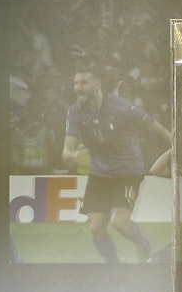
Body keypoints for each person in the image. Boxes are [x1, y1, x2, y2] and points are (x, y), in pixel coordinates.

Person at [63, 66, 171, 263]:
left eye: (84, 82)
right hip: (100, 173)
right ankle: (114, 267)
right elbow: (66, 151)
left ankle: (143, 244)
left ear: (97, 83)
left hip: (127, 170)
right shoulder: (75, 112)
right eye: (76, 83)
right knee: (96, 228)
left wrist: (178, 147)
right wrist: (72, 156)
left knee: (119, 222)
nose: (78, 87)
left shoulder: (120, 106)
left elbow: (156, 128)